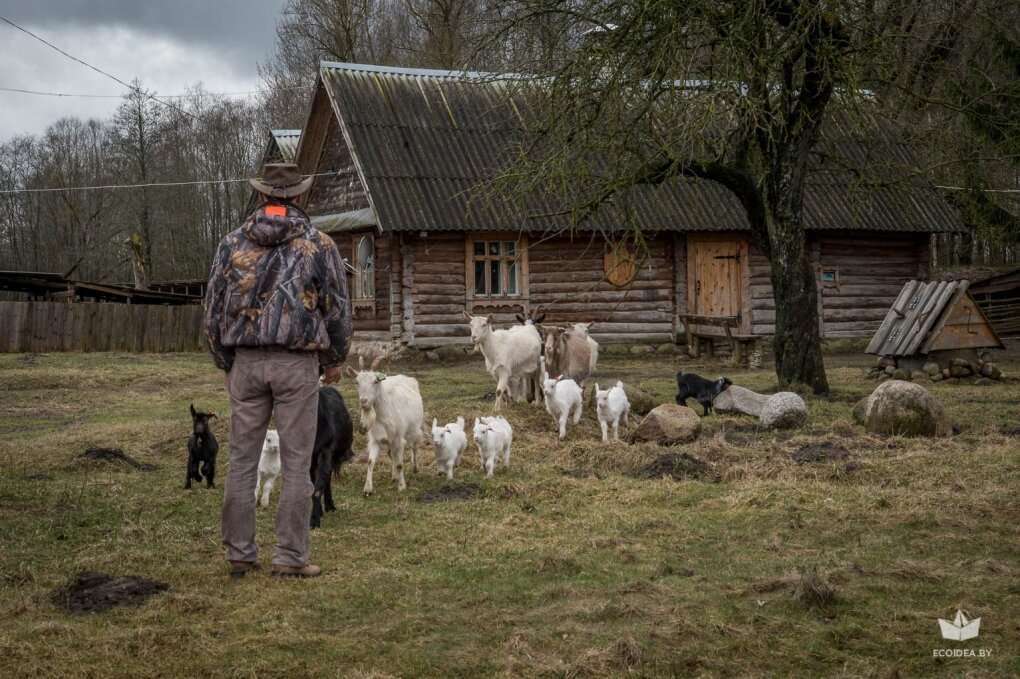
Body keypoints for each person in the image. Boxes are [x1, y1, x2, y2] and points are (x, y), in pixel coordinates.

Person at [203, 162, 353, 578]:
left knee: (242, 461)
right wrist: (335, 358)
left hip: (247, 364)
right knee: (296, 461)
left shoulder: (232, 243)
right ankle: (289, 557)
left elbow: (212, 309)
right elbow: (338, 307)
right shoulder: (319, 245)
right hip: (296, 365)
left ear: (262, 196)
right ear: (298, 196)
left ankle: (239, 554)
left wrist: (225, 362)